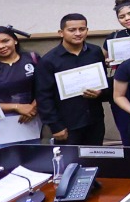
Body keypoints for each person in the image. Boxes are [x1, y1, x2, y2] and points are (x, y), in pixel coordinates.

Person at [36, 14, 109, 144]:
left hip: (94, 120)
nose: (78, 33)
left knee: (95, 158)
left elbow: (102, 83)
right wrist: (55, 126)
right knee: (70, 162)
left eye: (82, 29)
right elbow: (43, 96)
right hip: (67, 125)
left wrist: (100, 92)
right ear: (61, 33)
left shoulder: (95, 52)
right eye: (72, 30)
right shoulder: (49, 61)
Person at [0, 26, 40, 151]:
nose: (1, 46)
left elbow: (46, 86)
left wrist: (34, 107)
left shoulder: (32, 58)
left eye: (5, 41)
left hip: (31, 119)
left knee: (33, 161)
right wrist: (18, 107)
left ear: (15, 40)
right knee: (2, 164)